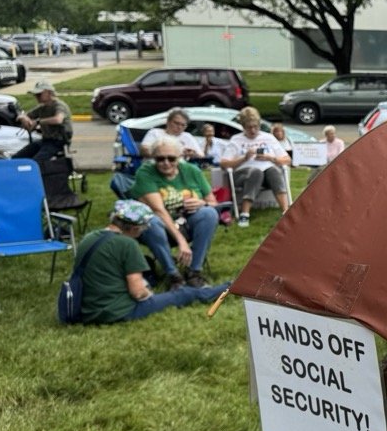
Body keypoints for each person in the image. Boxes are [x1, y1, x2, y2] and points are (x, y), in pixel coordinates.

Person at [75, 199, 228, 325]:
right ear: (134, 228)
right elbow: (138, 293)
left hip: (87, 310)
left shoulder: (89, 237)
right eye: (143, 229)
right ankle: (227, 288)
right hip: (117, 311)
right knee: (183, 294)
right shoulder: (128, 245)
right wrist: (150, 293)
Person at [130, 136, 221, 289]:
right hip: (159, 228)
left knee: (209, 213)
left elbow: (213, 202)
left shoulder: (192, 171)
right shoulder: (145, 173)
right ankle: (174, 276)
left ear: (179, 157)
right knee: (151, 221)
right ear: (153, 158)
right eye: (160, 159)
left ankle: (194, 272)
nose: (166, 163)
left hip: (188, 223)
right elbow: (159, 210)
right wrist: (181, 241)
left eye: (171, 158)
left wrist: (202, 203)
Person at [220, 106, 291, 227]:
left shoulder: (268, 138)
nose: (253, 130)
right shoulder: (236, 140)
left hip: (268, 174)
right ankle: (244, 213)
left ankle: (286, 211)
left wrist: (271, 158)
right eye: (249, 127)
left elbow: (287, 160)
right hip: (244, 174)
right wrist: (244, 158)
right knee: (255, 171)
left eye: (255, 127)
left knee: (273, 170)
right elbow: (223, 164)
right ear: (242, 126)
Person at [14, 80, 72, 161]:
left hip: (58, 142)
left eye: (39, 94)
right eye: (36, 95)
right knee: (17, 157)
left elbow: (58, 119)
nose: (36, 96)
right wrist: (24, 119)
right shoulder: (42, 108)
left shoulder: (59, 106)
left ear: (48, 93)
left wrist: (38, 122)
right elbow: (23, 115)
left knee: (36, 162)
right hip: (46, 141)